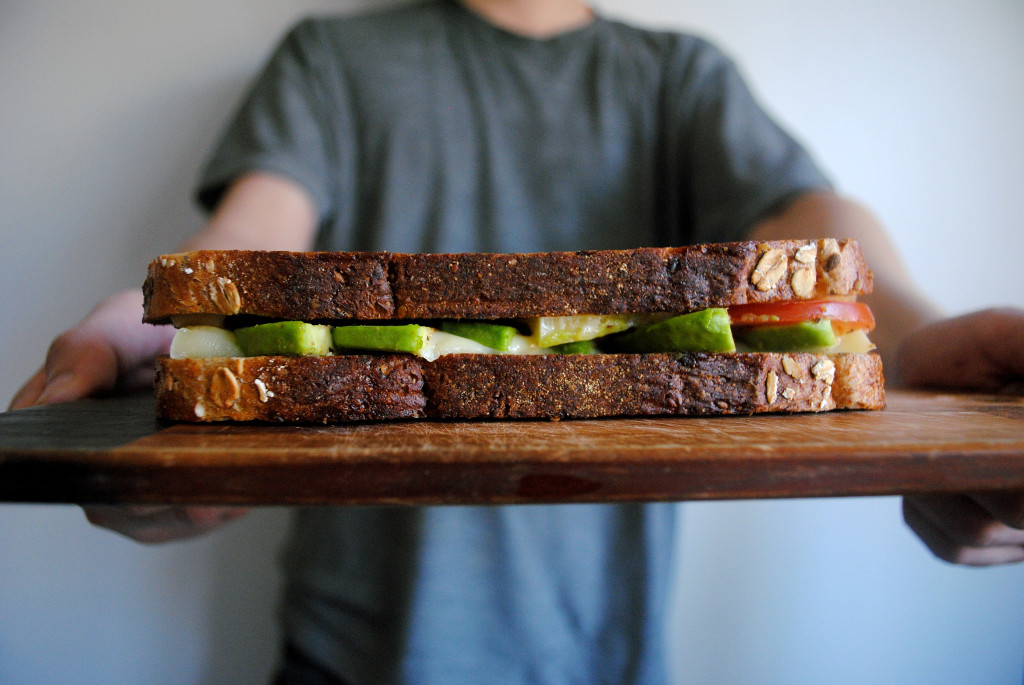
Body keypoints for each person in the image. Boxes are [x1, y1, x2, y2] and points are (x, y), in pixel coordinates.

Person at [9, 0, 1024, 682]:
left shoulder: (677, 75)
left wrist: (921, 332)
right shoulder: (333, 55)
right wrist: (185, 348)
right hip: (348, 644)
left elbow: (810, 234)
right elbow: (247, 241)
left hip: (604, 645)